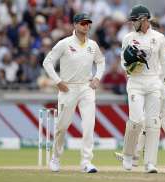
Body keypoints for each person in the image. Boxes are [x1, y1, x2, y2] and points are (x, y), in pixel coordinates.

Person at [115, 17, 165, 168]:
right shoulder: (156, 43)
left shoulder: (156, 43)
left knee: (148, 122)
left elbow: (162, 66)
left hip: (157, 86)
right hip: (163, 86)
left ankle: (135, 156)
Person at [43, 13, 105, 173]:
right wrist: (58, 81)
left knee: (88, 124)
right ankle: (55, 158)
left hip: (86, 88)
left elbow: (101, 61)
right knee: (62, 126)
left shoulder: (93, 45)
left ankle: (86, 162)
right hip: (68, 88)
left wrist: (97, 77)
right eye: (83, 23)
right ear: (75, 25)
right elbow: (47, 62)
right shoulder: (64, 43)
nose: (86, 26)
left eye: (88, 23)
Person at [121, 5, 165, 173]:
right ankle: (128, 155)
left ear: (144, 19)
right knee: (136, 120)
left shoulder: (159, 37)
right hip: (135, 82)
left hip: (153, 83)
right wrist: (131, 64)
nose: (132, 23)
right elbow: (123, 63)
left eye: (134, 20)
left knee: (153, 123)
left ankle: (150, 163)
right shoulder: (128, 37)